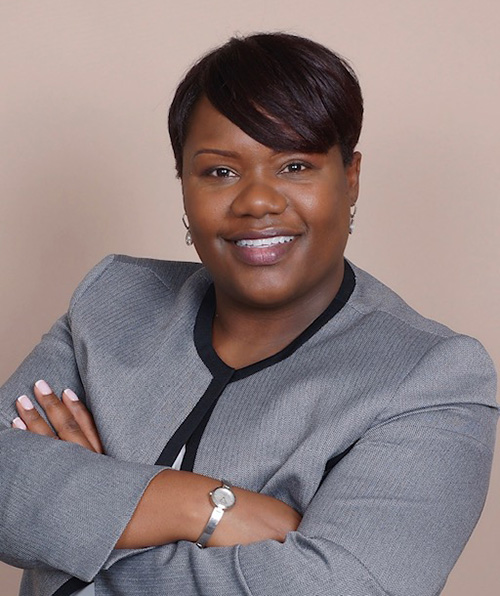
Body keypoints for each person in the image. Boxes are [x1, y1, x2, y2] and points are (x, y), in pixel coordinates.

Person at [0, 32, 497, 596]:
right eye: (220, 172)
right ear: (183, 185)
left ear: (350, 178)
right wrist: (206, 508)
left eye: (294, 166)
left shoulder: (428, 377)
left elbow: (347, 589)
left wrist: (71, 532)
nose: (258, 200)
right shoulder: (113, 301)